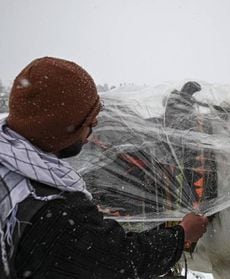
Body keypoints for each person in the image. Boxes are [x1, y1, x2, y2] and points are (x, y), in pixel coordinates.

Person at [0, 57, 209, 279]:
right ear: (62, 130)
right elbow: (124, 260)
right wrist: (182, 234)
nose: (90, 136)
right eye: (90, 124)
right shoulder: (53, 211)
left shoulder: (11, 165)